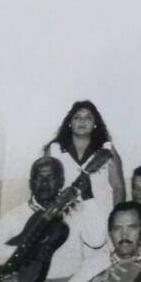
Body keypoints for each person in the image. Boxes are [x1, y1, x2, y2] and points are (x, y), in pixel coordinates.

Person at [0, 156, 106, 282]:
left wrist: (88, 197)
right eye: (39, 177)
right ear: (31, 183)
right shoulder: (15, 216)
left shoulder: (77, 210)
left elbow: (97, 240)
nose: (44, 183)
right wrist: (27, 252)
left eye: (51, 177)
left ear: (61, 182)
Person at [45, 100, 125, 242]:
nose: (82, 121)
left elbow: (118, 188)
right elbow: (46, 189)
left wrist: (116, 223)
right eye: (77, 117)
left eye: (88, 117)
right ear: (70, 122)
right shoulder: (54, 150)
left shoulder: (107, 150)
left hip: (101, 218)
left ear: (95, 124)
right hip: (65, 220)